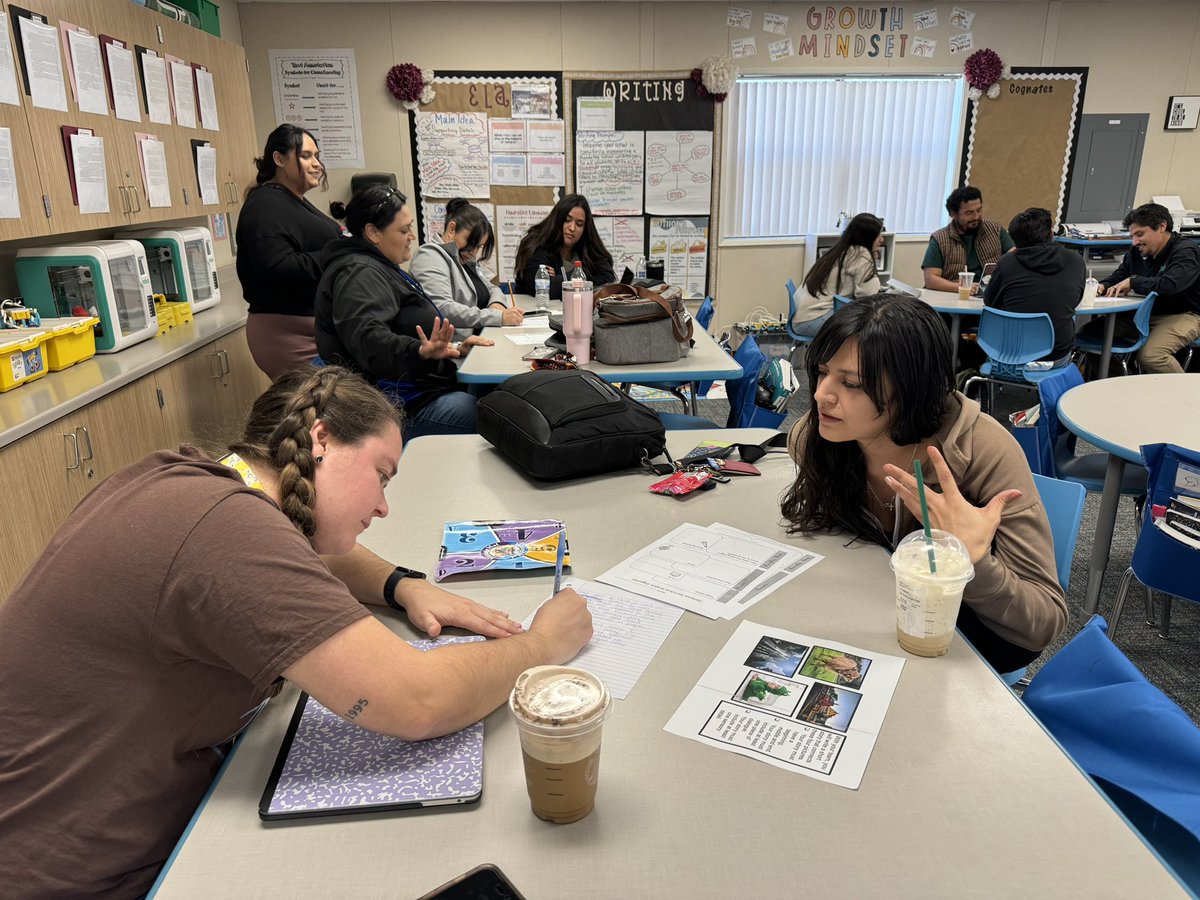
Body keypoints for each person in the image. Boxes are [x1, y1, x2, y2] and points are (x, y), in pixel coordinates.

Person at [0, 366, 593, 898]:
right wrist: (541, 647)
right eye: (382, 476)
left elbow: (310, 548)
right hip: (79, 876)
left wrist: (402, 584)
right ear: (322, 439)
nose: (385, 507)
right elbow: (418, 700)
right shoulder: (227, 530)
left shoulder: (195, 483)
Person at [780, 294, 1067, 673]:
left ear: (911, 391)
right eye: (822, 372)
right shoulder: (816, 438)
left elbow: (1042, 626)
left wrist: (974, 560)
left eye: (851, 383)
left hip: (965, 645)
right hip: (872, 620)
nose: (820, 395)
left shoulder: (982, 452)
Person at [314, 184, 489, 439]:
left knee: (496, 393)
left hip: (423, 387)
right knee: (493, 415)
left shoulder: (381, 265)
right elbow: (369, 341)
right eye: (404, 230)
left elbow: (404, 328)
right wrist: (419, 351)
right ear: (373, 232)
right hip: (399, 407)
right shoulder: (358, 273)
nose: (412, 236)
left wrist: (452, 347)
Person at [236, 124, 343, 379]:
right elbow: (277, 267)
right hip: (289, 336)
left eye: (317, 156)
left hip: (313, 330)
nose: (317, 164)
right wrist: (338, 255)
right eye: (306, 156)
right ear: (279, 159)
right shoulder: (264, 206)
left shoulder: (292, 200)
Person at [1091, 202, 1200, 374]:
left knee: (1151, 355)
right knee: (1091, 337)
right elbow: (1121, 275)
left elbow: (1171, 285)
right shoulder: (1138, 250)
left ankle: (1187, 398)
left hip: (1183, 314)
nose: (1134, 242)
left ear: (1161, 226)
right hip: (1143, 313)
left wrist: (1134, 282)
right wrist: (1103, 285)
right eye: (1132, 235)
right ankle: (1123, 385)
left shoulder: (1185, 251)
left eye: (1140, 234)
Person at [409, 198, 525, 342]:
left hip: (481, 340)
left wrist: (497, 304)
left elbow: (493, 289)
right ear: (451, 229)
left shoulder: (464, 259)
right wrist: (497, 317)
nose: (474, 252)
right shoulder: (429, 255)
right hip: (456, 350)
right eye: (471, 244)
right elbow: (442, 308)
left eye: (479, 246)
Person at [983, 207, 1086, 363]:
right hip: (1056, 355)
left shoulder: (1007, 263)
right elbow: (1075, 301)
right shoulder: (1076, 261)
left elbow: (990, 303)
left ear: (1014, 240)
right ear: (1051, 233)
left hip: (1010, 354)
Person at [793, 213, 884, 337]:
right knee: (873, 327)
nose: (882, 239)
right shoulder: (861, 255)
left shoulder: (841, 250)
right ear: (868, 237)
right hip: (812, 320)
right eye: (878, 235)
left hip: (802, 317)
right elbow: (870, 296)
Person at [514, 194, 615, 299]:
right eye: (567, 220)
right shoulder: (535, 244)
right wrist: (583, 273)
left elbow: (607, 279)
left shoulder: (587, 245)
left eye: (579, 224)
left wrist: (560, 278)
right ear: (557, 219)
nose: (572, 228)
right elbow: (547, 289)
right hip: (537, 311)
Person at [922, 186, 1015, 293]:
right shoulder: (939, 239)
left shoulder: (995, 230)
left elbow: (1014, 255)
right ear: (953, 214)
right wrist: (962, 287)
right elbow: (931, 279)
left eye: (979, 210)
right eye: (969, 213)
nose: (976, 217)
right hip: (954, 297)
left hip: (991, 294)